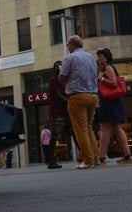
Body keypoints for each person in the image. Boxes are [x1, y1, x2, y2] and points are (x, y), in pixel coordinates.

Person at [58, 35, 100, 169]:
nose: (67, 48)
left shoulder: (70, 58)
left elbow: (62, 78)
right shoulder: (91, 58)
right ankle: (95, 157)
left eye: (67, 45)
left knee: (81, 129)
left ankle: (88, 160)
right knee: (89, 127)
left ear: (72, 44)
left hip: (77, 96)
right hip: (92, 95)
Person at [95, 47, 132, 165]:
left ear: (106, 57)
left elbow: (114, 83)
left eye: (100, 56)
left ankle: (102, 157)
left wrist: (101, 78)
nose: (98, 58)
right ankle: (127, 155)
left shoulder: (108, 68)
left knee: (104, 128)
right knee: (116, 128)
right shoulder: (109, 67)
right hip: (114, 101)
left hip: (109, 102)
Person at [46, 61, 69, 169]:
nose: (59, 67)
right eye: (57, 66)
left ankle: (85, 156)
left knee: (75, 133)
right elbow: (57, 94)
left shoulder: (65, 80)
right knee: (55, 136)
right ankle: (51, 161)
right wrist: (69, 102)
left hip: (66, 112)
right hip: (57, 113)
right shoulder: (53, 80)